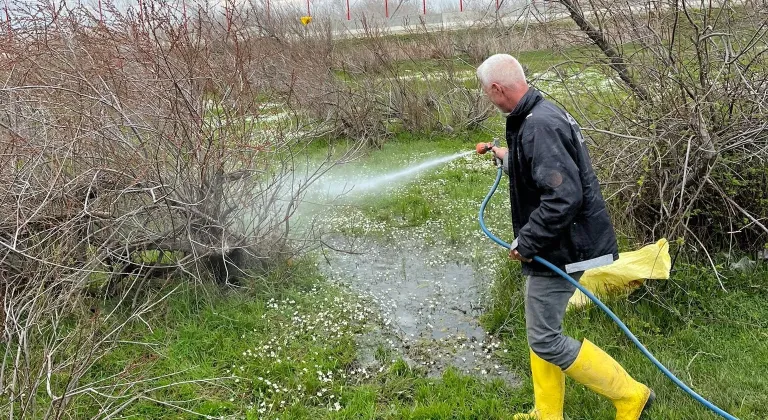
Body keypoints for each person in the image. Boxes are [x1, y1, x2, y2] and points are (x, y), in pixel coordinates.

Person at [476, 54, 655, 420]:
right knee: (540, 328)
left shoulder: (539, 125)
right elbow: (543, 169)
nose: (487, 97)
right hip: (559, 242)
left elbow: (564, 196)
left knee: (544, 337)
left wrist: (527, 242)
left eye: (486, 91)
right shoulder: (536, 115)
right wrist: (506, 157)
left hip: (563, 247)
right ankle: (547, 412)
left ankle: (631, 395)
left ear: (496, 88)